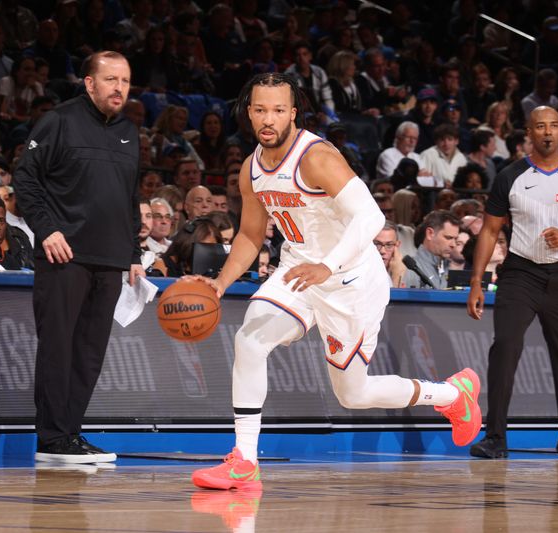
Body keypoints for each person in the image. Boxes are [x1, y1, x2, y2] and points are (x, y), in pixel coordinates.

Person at [190, 73, 482, 491]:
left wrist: (326, 267)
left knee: (353, 394)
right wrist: (220, 283)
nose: (267, 119)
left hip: (351, 282)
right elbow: (252, 236)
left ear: (292, 113)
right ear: (248, 112)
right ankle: (245, 460)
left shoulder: (316, 157)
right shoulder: (252, 169)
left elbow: (371, 217)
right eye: (259, 110)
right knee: (250, 340)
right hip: (298, 272)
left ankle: (453, 396)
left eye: (277, 110)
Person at [14, 51, 144, 464]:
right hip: (63, 256)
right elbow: (25, 179)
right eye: (110, 80)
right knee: (58, 348)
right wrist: (48, 229)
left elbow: (129, 198)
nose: (119, 88)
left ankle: (70, 435)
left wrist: (134, 252)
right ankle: (52, 437)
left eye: (124, 81)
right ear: (90, 83)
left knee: (89, 353)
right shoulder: (60, 121)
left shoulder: (130, 131)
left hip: (110, 259)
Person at [467, 105, 558, 459]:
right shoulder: (510, 175)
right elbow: (489, 230)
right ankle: (495, 437)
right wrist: (477, 282)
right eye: (540, 126)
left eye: (554, 126)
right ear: (528, 132)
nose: (548, 132)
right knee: (506, 348)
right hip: (520, 273)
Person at [402, 210, 460, 289]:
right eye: (448, 238)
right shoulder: (409, 269)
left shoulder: (451, 268)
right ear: (430, 234)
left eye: (455, 239)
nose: (453, 245)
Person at [373, 221, 405, 288]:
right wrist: (396, 277)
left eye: (389, 245)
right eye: (377, 244)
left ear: (397, 245)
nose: (382, 251)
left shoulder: (407, 272)